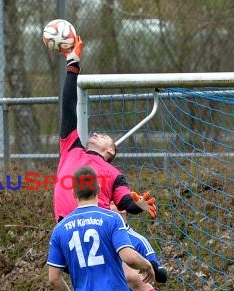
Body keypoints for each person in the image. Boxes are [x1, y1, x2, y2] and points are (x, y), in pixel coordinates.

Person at [53, 35, 156, 222]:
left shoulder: (114, 174)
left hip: (97, 229)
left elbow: (125, 201)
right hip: (65, 228)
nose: (95, 133)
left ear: (110, 150)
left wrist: (139, 205)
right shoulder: (71, 148)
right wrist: (72, 64)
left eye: (103, 136)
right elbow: (68, 106)